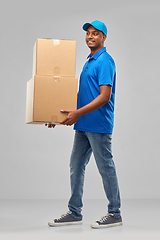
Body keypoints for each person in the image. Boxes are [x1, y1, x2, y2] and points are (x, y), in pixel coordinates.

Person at [47, 20, 122, 229]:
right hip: (83, 126)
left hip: (98, 125)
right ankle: (74, 212)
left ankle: (115, 213)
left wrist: (78, 113)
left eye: (95, 34)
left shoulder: (105, 61)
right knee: (76, 166)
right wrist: (58, 116)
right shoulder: (88, 61)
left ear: (104, 37)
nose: (90, 37)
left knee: (105, 168)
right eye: (88, 33)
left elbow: (104, 96)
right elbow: (82, 96)